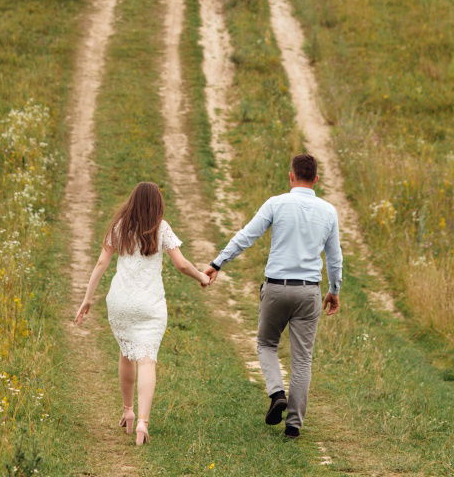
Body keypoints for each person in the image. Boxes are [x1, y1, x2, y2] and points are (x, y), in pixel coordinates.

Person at [205, 153, 342, 438]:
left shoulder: (276, 203)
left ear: (291, 176)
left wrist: (218, 263)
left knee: (266, 343)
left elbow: (246, 236)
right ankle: (293, 425)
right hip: (309, 291)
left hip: (277, 287)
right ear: (316, 179)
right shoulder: (328, 211)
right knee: (302, 359)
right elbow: (334, 258)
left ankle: (277, 392)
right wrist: (334, 290)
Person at [74, 181, 210, 445]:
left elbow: (102, 262)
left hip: (121, 302)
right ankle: (143, 424)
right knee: (147, 360)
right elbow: (181, 264)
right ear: (157, 203)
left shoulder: (120, 226)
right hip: (150, 304)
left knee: (127, 353)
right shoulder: (161, 227)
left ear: (132, 200)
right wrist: (201, 277)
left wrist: (87, 298)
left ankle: (127, 411)